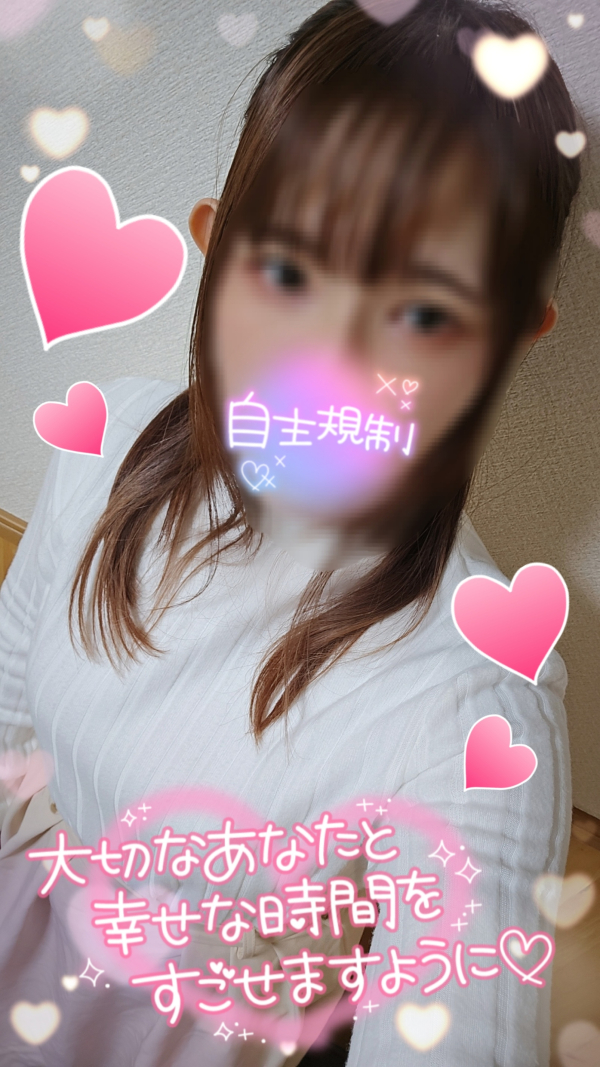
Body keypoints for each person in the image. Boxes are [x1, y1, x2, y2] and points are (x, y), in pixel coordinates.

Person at [0, 0, 582, 1064]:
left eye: (423, 313)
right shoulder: (103, 439)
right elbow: (6, 709)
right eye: (288, 273)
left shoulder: (476, 700)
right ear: (214, 245)